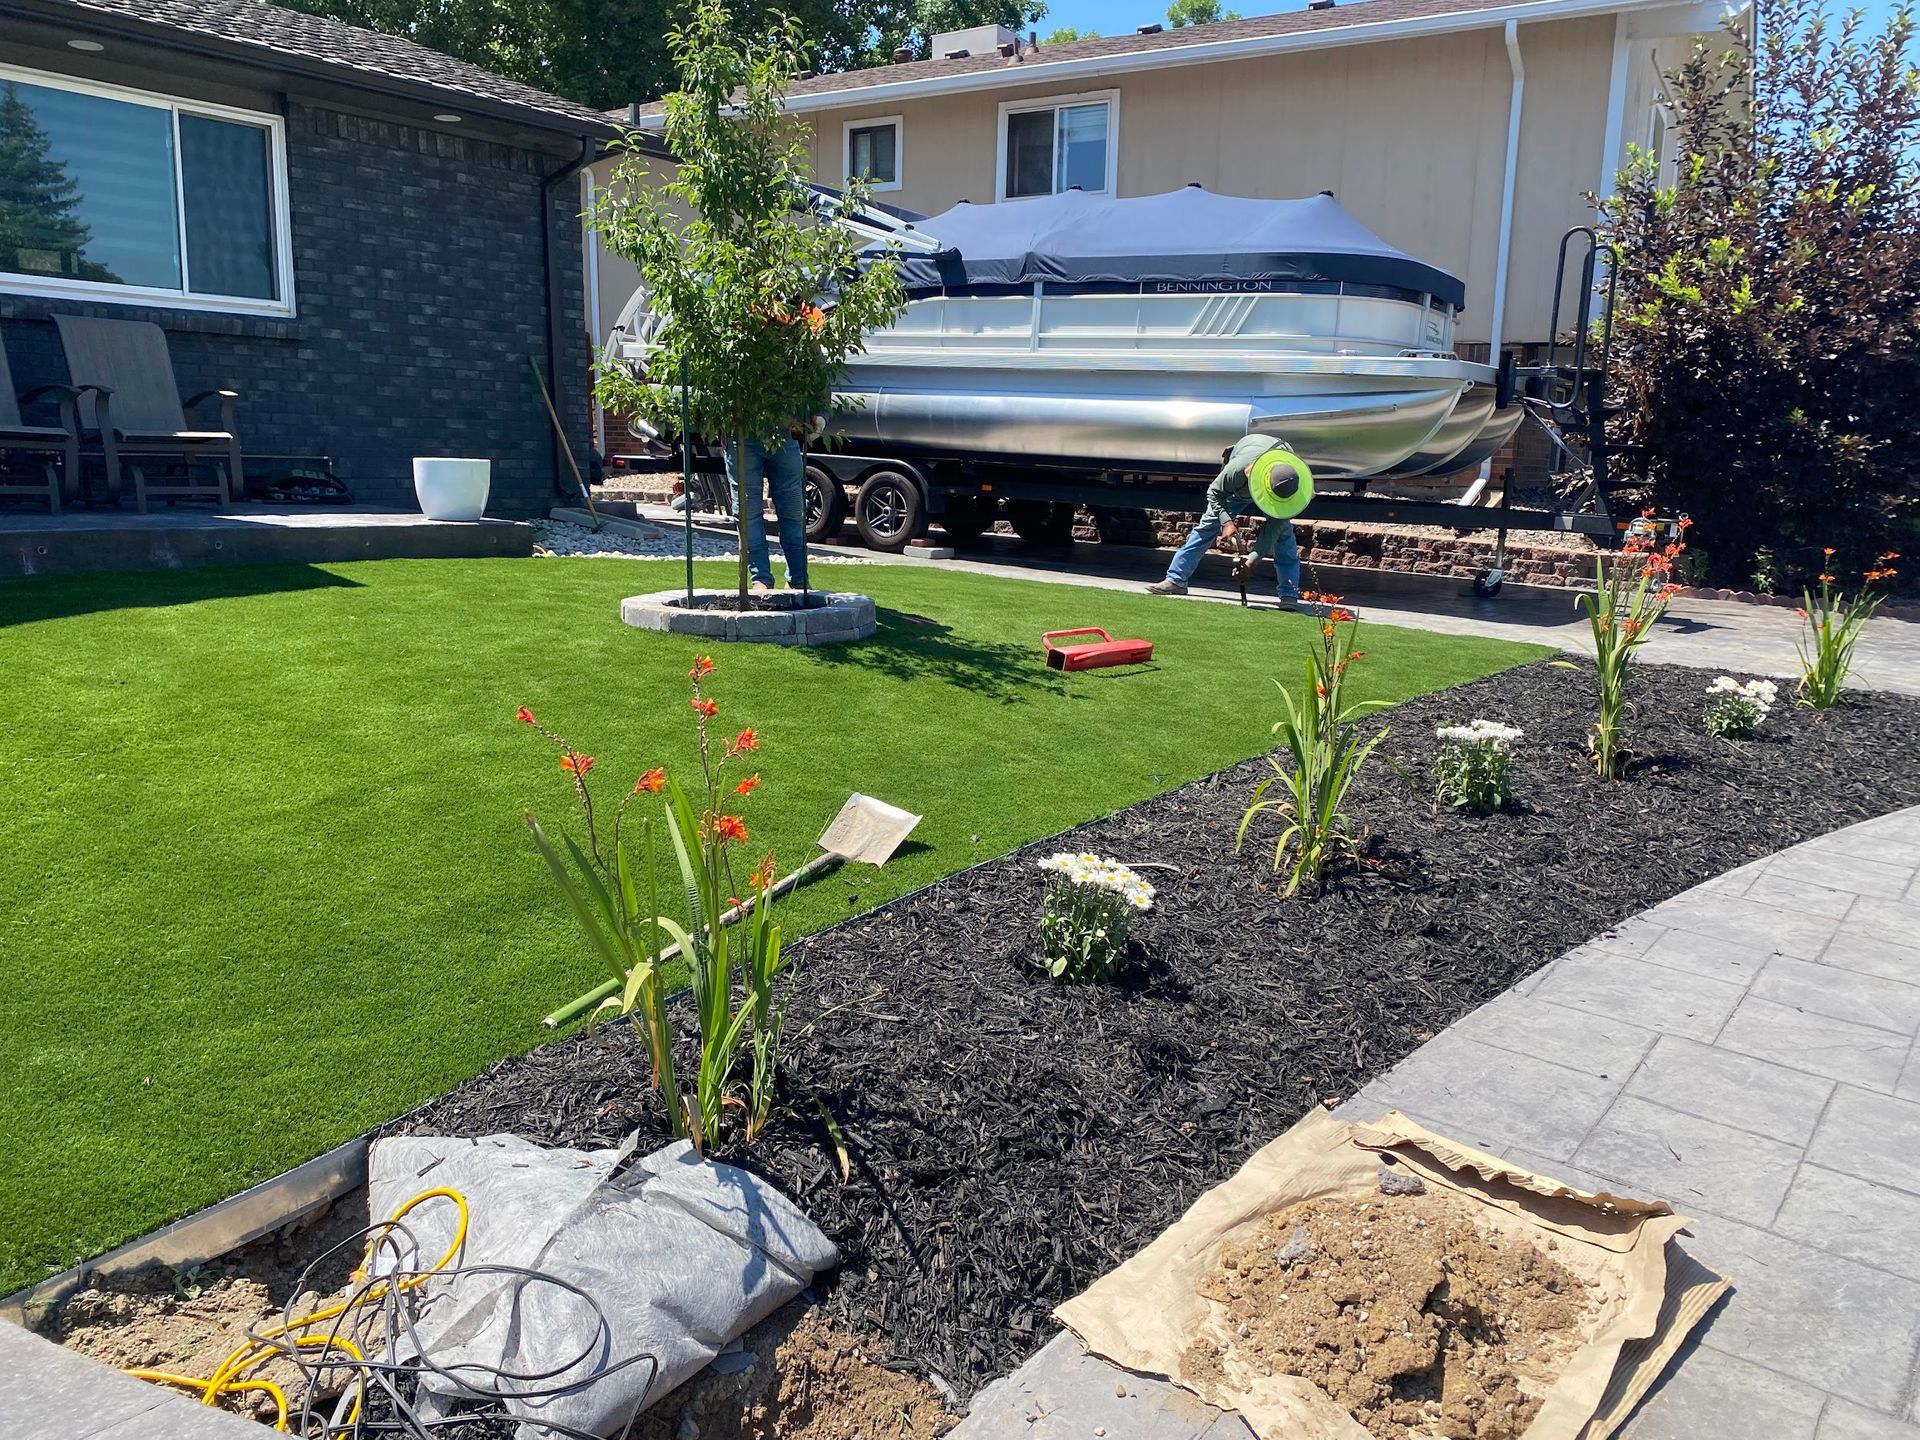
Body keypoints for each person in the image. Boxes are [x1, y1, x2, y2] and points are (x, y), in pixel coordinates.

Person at [1145, 433, 1303, 605]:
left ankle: (1289, 594)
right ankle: (1176, 580)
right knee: (1208, 526)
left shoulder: (1290, 488)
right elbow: (1214, 492)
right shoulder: (1238, 469)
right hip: (1240, 486)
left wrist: (1251, 562)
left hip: (1271, 488)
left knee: (1283, 535)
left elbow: (1271, 533)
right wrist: (1226, 522)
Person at [725, 415, 822, 593]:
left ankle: (798, 579)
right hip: (740, 430)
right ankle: (761, 579)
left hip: (784, 430)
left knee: (792, 509)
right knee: (748, 512)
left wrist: (820, 416)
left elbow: (820, 388)